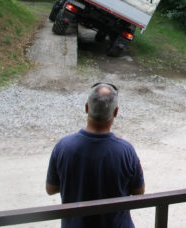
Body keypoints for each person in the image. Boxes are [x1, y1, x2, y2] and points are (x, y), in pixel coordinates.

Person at [46, 82, 145, 228]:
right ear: (115, 112)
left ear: (86, 107)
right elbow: (139, 191)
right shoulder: (126, 151)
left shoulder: (63, 147)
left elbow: (51, 188)